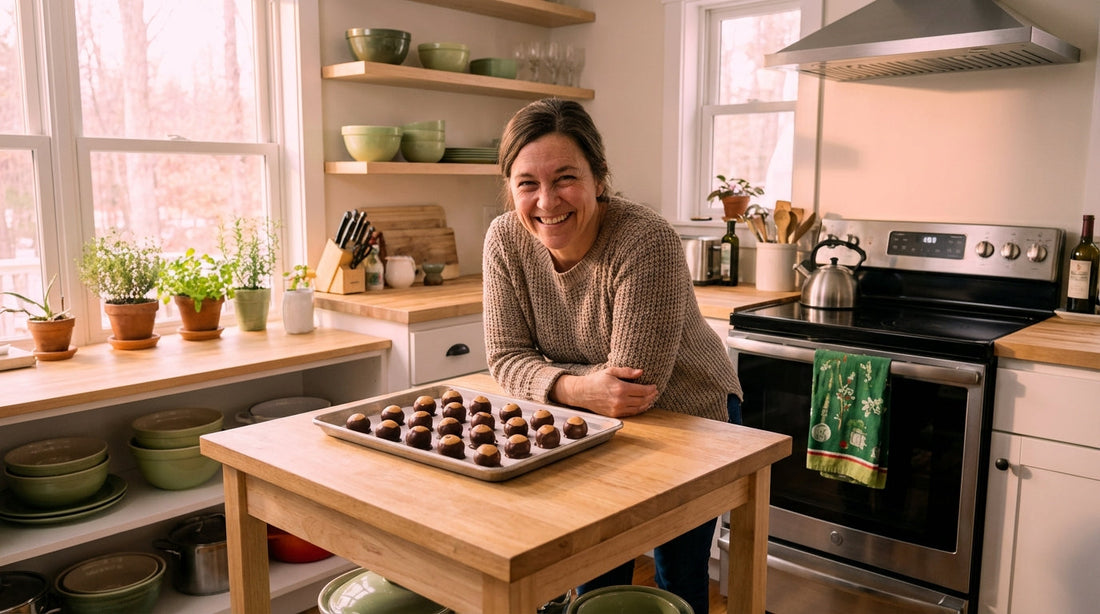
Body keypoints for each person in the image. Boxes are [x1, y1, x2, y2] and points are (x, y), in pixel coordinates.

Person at [482, 98, 743, 614]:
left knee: (676, 577)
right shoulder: (504, 240)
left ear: (600, 178)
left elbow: (633, 388)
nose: (546, 200)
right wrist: (581, 388)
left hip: (691, 417)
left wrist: (547, 377)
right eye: (527, 183)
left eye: (564, 178)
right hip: (586, 421)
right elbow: (505, 357)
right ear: (511, 188)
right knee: (591, 568)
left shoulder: (645, 240)